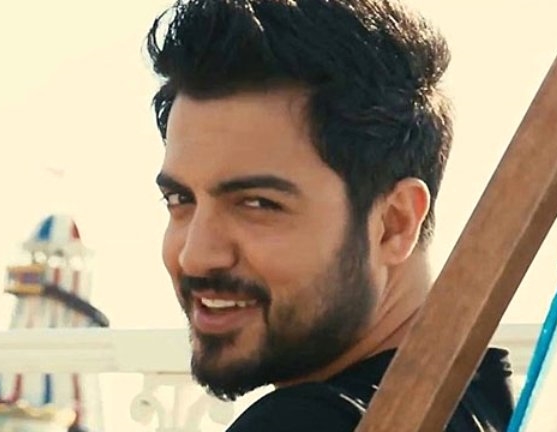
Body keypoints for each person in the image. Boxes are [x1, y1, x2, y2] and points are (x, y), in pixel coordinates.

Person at [146, 0, 515, 430]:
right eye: (180, 200)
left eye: (257, 204)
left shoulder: (304, 423)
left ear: (394, 224)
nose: (195, 256)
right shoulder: (485, 405)